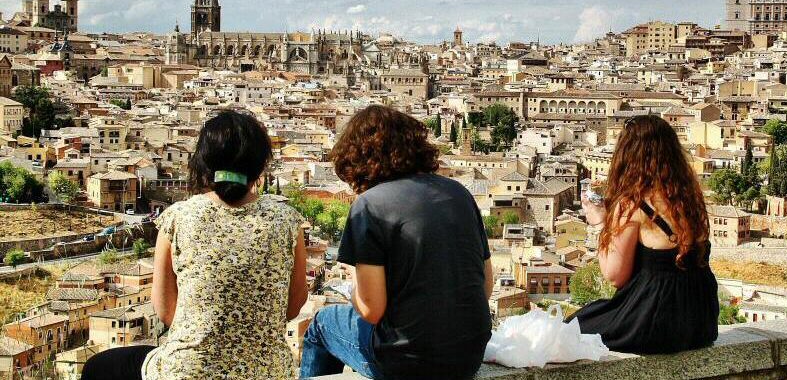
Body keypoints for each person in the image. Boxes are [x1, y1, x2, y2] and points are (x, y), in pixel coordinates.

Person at [81, 110, 308, 380]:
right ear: (259, 168)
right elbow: (294, 305)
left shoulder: (178, 217)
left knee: (99, 367)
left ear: (203, 163)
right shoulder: (287, 221)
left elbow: (165, 311)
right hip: (268, 372)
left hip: (189, 370)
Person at [300, 105, 493, 380]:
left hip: (407, 362)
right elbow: (486, 287)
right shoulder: (458, 193)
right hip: (469, 356)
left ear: (357, 160)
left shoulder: (370, 206)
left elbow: (371, 310)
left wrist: (353, 287)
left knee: (321, 325)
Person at [566, 115, 719, 354]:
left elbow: (615, 276)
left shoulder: (633, 205)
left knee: (569, 329)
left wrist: (600, 224)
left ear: (627, 156)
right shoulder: (690, 199)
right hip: (700, 322)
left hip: (655, 321)